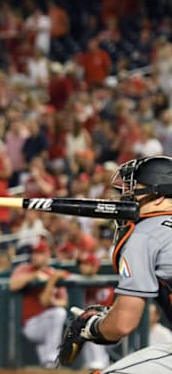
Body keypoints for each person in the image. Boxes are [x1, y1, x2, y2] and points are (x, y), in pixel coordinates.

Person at [60, 156, 172, 373]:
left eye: (134, 189)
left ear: (158, 196)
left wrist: (92, 326)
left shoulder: (145, 234)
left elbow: (122, 324)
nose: (126, 197)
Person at [8, 239, 69, 368]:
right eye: (34, 253)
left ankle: (48, 362)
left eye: (40, 253)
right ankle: (52, 359)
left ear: (48, 255)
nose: (35, 256)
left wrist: (54, 300)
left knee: (57, 314)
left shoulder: (53, 272)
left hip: (48, 324)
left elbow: (64, 301)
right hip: (31, 325)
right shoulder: (25, 269)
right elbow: (13, 285)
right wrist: (34, 276)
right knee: (57, 314)